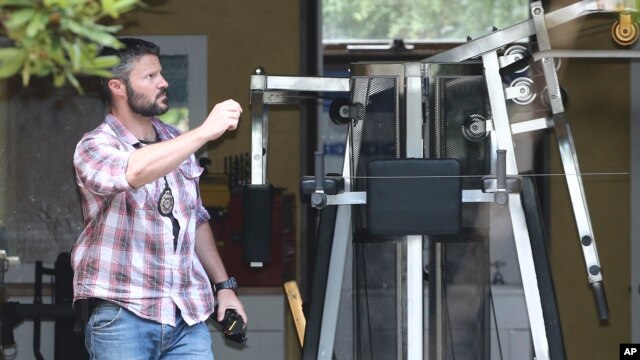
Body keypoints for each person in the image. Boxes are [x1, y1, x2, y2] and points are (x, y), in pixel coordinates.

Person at [72, 37, 246, 359]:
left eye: (161, 73)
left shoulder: (174, 140)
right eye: (150, 77)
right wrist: (205, 131)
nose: (164, 82)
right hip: (123, 315)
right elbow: (134, 172)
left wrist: (224, 287)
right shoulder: (94, 147)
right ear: (117, 87)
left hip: (186, 316)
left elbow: (194, 217)